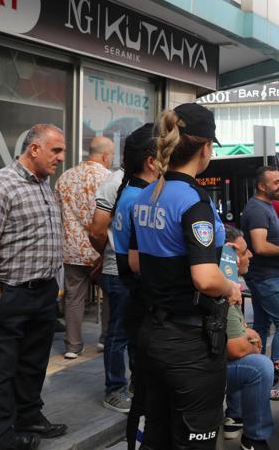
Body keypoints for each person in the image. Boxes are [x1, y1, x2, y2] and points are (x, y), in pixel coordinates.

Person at [129, 103, 242, 450]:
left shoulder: (146, 194)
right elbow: (206, 278)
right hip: (189, 343)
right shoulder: (194, 201)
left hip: (151, 335)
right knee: (194, 441)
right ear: (206, 148)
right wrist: (230, 287)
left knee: (157, 436)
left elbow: (135, 262)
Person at [0, 124, 68, 450]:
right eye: (56, 150)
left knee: (33, 363)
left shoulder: (44, 185)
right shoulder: (4, 186)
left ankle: (29, 416)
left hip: (43, 291)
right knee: (3, 367)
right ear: (34, 149)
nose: (61, 157)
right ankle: (3, 434)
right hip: (10, 292)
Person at [89, 127, 156, 414]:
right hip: (119, 273)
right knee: (117, 334)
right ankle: (114, 389)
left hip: (132, 273)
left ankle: (132, 384)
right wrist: (109, 254)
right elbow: (96, 230)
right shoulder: (119, 185)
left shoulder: (146, 185)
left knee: (133, 330)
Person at [108, 124, 159, 450]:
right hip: (137, 292)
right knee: (145, 386)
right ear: (152, 161)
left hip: (128, 287)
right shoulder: (140, 197)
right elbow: (138, 260)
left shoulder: (130, 193)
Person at [55, 136, 114, 359]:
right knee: (109, 295)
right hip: (102, 248)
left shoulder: (65, 177)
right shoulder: (109, 179)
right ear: (106, 156)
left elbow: (58, 213)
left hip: (72, 250)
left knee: (73, 297)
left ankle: (72, 346)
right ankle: (105, 340)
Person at [222, 226, 274, 450]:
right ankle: (254, 437)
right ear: (230, 253)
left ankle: (235, 416)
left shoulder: (226, 281)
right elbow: (235, 348)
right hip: (200, 369)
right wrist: (251, 345)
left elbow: (236, 331)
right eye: (244, 252)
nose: (250, 255)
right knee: (259, 366)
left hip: (199, 362)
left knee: (251, 351)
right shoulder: (223, 286)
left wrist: (245, 333)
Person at [241, 166, 279, 361]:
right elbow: (260, 246)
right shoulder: (256, 209)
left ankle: (260, 368)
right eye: (276, 183)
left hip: (264, 276)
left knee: (262, 325)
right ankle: (277, 374)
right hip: (265, 277)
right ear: (262, 186)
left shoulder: (267, 205)